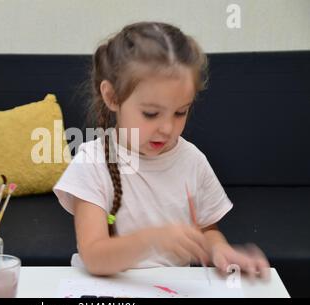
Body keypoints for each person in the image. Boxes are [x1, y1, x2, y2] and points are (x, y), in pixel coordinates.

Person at [53, 21, 270, 278]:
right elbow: (94, 257)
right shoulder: (92, 161)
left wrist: (220, 250)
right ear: (112, 97)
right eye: (151, 113)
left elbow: (208, 231)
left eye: (180, 112)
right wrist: (152, 240)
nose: (167, 128)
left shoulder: (193, 161)